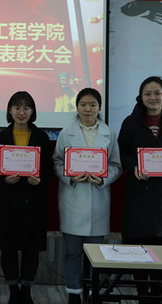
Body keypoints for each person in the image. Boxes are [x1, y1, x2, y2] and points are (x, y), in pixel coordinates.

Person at [118, 76, 162, 301]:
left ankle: (156, 297)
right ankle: (142, 296)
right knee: (138, 249)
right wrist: (133, 166)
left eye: (157, 93)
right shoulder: (131, 122)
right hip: (139, 195)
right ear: (140, 97)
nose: (152, 97)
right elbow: (121, 152)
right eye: (147, 93)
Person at [53, 88, 122, 304]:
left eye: (93, 104)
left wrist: (103, 179)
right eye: (83, 104)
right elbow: (57, 162)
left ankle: (93, 292)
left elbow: (116, 165)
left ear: (99, 107)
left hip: (98, 200)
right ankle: (74, 292)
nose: (88, 109)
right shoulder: (66, 133)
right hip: (73, 199)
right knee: (72, 252)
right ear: (77, 106)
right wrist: (70, 176)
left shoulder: (109, 133)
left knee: (96, 254)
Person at [0, 91, 53, 304]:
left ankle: (26, 290)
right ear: (10, 110)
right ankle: (13, 290)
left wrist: (40, 180)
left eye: (26, 107)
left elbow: (50, 170)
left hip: (33, 202)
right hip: (8, 203)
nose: (21, 112)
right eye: (17, 107)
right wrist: (4, 180)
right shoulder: (0, 137)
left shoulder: (42, 137)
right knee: (8, 250)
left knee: (31, 251)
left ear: (33, 111)